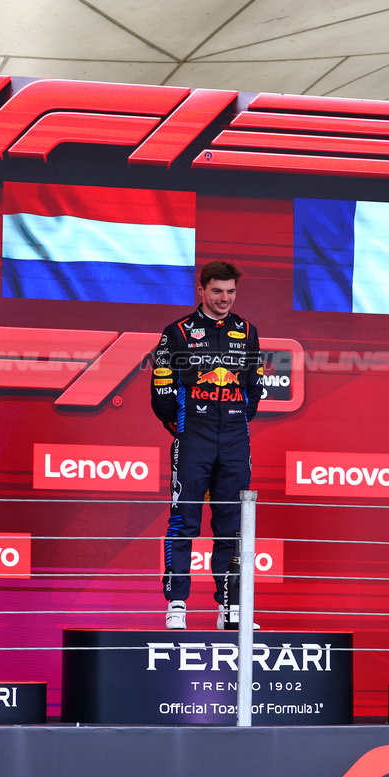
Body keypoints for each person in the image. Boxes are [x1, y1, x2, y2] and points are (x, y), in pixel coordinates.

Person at [151, 260, 262, 630]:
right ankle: (177, 603)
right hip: (194, 437)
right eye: (217, 291)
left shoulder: (247, 332)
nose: (224, 299)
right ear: (201, 290)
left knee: (232, 524)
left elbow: (254, 391)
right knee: (184, 521)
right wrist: (184, 427)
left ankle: (229, 607)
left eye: (231, 292)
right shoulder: (178, 332)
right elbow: (161, 394)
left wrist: (233, 420)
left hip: (234, 439)